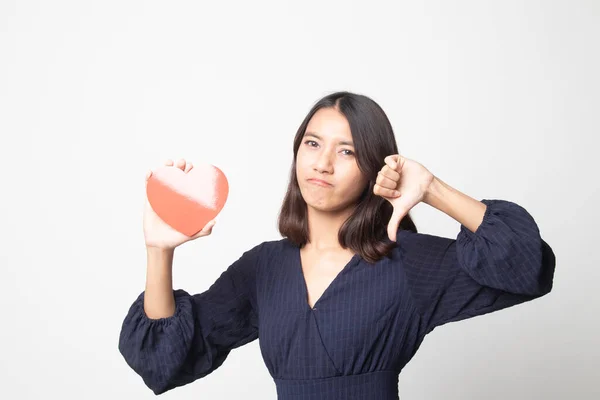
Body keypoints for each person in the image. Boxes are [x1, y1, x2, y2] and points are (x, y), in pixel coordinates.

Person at [118, 91, 556, 399]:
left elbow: (525, 267)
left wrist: (433, 189)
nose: (323, 163)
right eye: (312, 144)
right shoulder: (263, 269)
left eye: (346, 152)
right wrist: (159, 250)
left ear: (374, 168)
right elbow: (165, 361)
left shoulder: (405, 261)